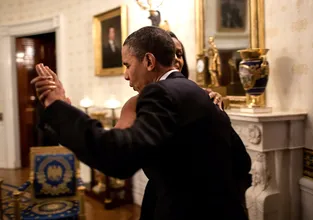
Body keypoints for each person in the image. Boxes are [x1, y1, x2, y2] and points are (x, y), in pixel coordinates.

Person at [31, 26, 250, 220]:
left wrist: (58, 108)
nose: (126, 75)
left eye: (127, 65)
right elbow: (242, 160)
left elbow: (118, 155)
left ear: (149, 61)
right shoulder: (198, 92)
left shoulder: (161, 93)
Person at [115, 31, 223, 129]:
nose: (175, 59)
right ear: (151, 60)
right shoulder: (136, 104)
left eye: (179, 54)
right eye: (170, 54)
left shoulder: (201, 94)